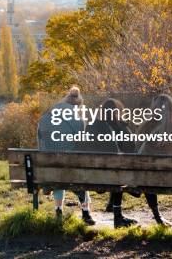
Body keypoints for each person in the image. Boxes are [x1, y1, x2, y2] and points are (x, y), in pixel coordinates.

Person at [38, 86, 95, 225]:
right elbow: (82, 144)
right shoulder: (79, 121)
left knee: (58, 174)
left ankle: (58, 211)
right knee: (77, 175)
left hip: (49, 165)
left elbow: (40, 141)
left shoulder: (46, 117)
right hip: (71, 166)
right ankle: (86, 213)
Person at [137, 94, 172, 226]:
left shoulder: (146, 127)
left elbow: (139, 155)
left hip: (151, 180)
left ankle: (158, 217)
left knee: (147, 177)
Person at [87, 98, 138, 228]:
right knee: (117, 169)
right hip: (115, 175)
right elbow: (132, 147)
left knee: (113, 168)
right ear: (117, 112)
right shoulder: (121, 126)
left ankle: (111, 204)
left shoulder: (92, 126)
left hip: (94, 176)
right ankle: (118, 217)